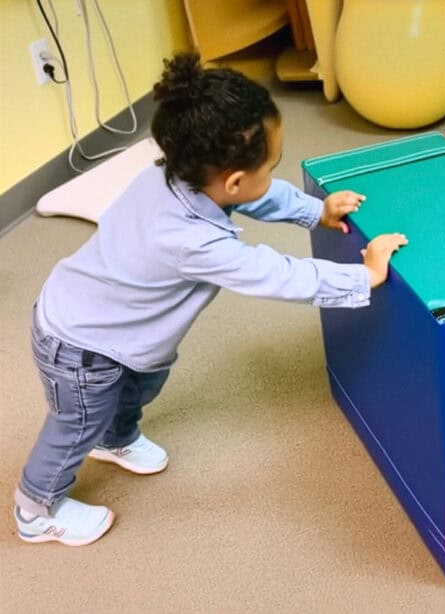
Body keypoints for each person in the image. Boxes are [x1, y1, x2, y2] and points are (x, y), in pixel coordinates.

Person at [13, 53, 407, 546]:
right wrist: (361, 277)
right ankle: (34, 508)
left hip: (115, 330)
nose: (270, 176)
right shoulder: (191, 240)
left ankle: (115, 439)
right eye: (270, 166)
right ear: (235, 179)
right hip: (80, 347)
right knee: (76, 425)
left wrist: (315, 211)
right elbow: (275, 274)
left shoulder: (176, 173)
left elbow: (254, 195)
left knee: (140, 385)